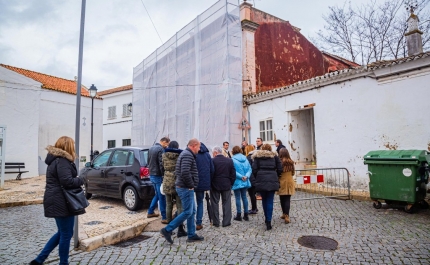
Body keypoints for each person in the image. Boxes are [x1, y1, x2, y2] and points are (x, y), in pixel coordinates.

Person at [30, 136, 85, 265]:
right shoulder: (62, 161)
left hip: (57, 200)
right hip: (62, 201)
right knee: (66, 234)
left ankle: (39, 260)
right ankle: (63, 263)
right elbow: (67, 181)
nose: (74, 148)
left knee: (62, 232)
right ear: (67, 147)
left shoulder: (55, 160)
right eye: (72, 145)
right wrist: (81, 179)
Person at [160, 138, 204, 244]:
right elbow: (185, 172)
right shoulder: (187, 155)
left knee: (192, 211)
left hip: (184, 187)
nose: (199, 149)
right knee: (187, 211)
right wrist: (191, 185)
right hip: (185, 187)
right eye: (198, 147)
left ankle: (191, 234)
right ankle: (167, 230)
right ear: (193, 145)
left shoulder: (186, 154)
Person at [251, 143, 282, 230]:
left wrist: (258, 176)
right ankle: (268, 220)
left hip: (261, 179)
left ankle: (266, 218)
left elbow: (254, 170)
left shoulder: (257, 157)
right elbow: (280, 168)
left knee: (264, 199)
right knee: (270, 200)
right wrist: (276, 175)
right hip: (272, 178)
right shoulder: (275, 157)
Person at [162, 141, 187, 237]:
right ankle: (180, 228)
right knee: (180, 206)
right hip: (177, 181)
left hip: (167, 181)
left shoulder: (164, 155)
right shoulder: (180, 155)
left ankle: (168, 228)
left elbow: (162, 167)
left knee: (169, 205)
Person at [210, 146, 236, 227]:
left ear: (215, 153)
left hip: (215, 185)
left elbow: (210, 173)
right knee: (227, 203)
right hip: (226, 184)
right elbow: (233, 174)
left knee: (214, 203)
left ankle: (216, 222)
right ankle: (226, 221)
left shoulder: (212, 161)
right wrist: (230, 183)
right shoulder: (229, 160)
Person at [147, 137, 170, 223]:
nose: (167, 146)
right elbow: (162, 164)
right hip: (158, 175)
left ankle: (150, 212)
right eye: (167, 144)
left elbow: (148, 161)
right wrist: (164, 175)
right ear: (164, 142)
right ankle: (164, 217)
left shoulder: (151, 148)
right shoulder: (160, 149)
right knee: (161, 196)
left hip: (151, 174)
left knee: (157, 194)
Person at [195, 142, 214, 230]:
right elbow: (212, 169)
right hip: (204, 182)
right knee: (200, 202)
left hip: (193, 181)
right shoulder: (207, 155)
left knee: (191, 203)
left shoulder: (193, 154)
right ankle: (199, 222)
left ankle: (190, 222)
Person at [231, 146, 252, 222]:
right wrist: (246, 176)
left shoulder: (232, 159)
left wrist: (241, 176)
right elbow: (249, 169)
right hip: (245, 180)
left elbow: (233, 171)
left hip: (237, 180)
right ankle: (246, 214)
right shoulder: (245, 158)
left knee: (237, 197)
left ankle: (239, 214)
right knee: (244, 197)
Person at [278, 148, 295, 224]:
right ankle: (287, 215)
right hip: (289, 181)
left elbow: (278, 172)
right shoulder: (291, 162)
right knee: (287, 198)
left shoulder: (280, 162)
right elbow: (293, 173)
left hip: (282, 181)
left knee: (282, 198)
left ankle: (284, 214)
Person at [244, 144, 258, 214]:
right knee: (253, 194)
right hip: (255, 177)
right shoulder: (255, 156)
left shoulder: (248, 157)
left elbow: (248, 168)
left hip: (251, 177)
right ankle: (255, 207)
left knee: (252, 194)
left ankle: (254, 208)